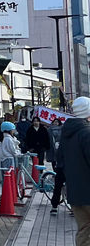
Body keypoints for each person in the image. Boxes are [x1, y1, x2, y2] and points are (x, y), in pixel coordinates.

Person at [57, 97, 90, 245]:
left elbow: (61, 163)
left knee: (84, 230)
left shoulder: (66, 134)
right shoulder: (86, 133)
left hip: (75, 193)